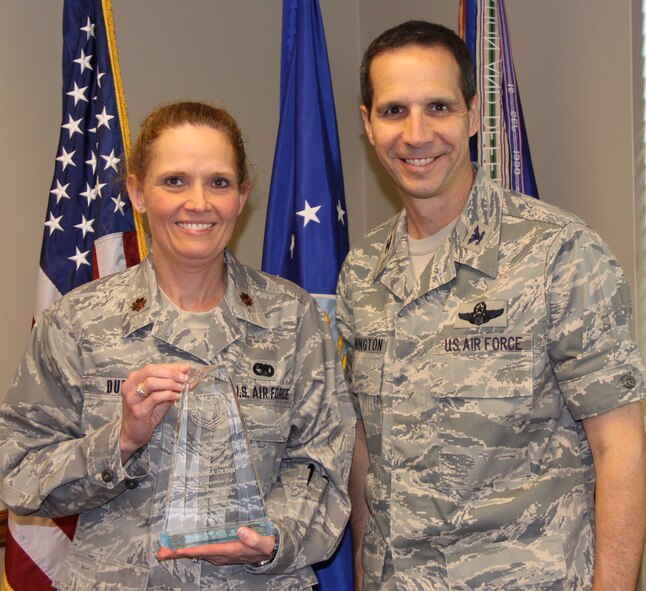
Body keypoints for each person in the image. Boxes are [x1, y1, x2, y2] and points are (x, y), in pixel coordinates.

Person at [336, 20, 646, 591]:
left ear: (474, 115)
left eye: (439, 107)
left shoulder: (557, 252)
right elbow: (365, 448)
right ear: (368, 124)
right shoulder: (362, 273)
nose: (417, 133)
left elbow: (620, 444)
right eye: (394, 111)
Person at [0, 101, 354, 590]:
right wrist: (121, 440)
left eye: (219, 182)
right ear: (137, 192)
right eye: (174, 181)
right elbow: (20, 471)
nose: (199, 202)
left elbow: (322, 463)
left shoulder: (293, 319)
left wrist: (273, 536)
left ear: (242, 196)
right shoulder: (76, 322)